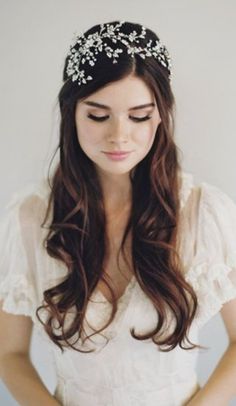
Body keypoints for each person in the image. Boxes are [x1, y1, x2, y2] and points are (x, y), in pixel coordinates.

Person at [0, 20, 236, 406]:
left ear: (160, 115)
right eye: (98, 116)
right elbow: (9, 354)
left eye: (139, 116)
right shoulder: (30, 218)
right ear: (71, 113)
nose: (119, 136)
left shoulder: (203, 214)